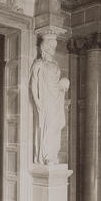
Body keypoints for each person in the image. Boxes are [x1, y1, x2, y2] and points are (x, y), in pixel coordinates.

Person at [30, 35, 69, 165]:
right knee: (48, 125)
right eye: (51, 46)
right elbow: (33, 85)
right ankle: (46, 155)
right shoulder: (39, 63)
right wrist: (37, 102)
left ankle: (52, 153)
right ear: (45, 47)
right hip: (45, 101)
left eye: (54, 47)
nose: (53, 49)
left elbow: (57, 82)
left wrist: (63, 84)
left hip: (56, 98)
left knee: (56, 126)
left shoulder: (56, 64)